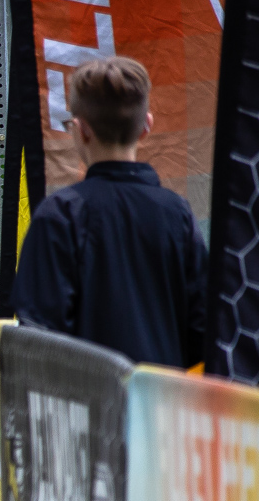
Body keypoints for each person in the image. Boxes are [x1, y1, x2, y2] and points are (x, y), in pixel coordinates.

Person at [14, 55, 206, 368]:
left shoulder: (59, 216)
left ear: (80, 129)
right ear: (146, 126)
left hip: (83, 413)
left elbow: (38, 339)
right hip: (160, 411)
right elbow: (203, 332)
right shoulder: (178, 216)